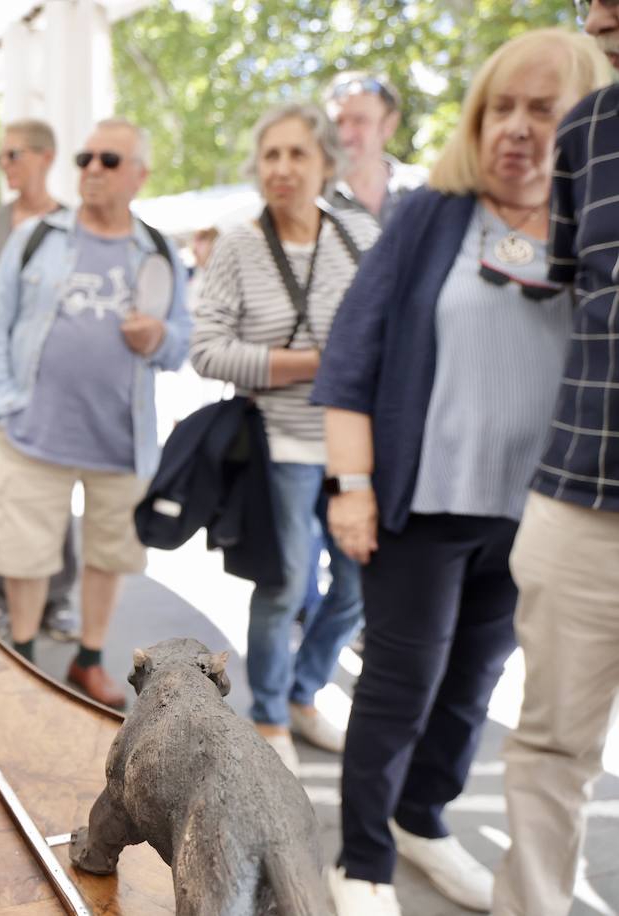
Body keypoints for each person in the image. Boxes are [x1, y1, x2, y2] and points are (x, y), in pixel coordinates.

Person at [311, 29, 610, 916]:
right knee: (399, 687)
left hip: (540, 513)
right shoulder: (431, 214)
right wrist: (352, 489)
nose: (515, 129)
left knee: (475, 691)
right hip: (421, 505)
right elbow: (351, 358)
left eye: (542, 109)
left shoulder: (596, 225)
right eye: (499, 108)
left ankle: (421, 822)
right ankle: (361, 856)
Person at [0, 118, 191, 709]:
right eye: (86, 157)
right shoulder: (39, 236)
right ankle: (22, 653)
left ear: (139, 175)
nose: (93, 168)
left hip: (120, 438)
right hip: (33, 431)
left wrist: (159, 335)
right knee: (23, 552)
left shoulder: (160, 249)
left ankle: (87, 658)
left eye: (109, 160)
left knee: (108, 554)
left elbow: (182, 343)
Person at [189, 104, 380, 771]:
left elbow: (388, 334)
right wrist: (310, 364)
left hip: (358, 445)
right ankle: (269, 714)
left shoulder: (361, 234)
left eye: (297, 154)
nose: (282, 168)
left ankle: (304, 695)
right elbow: (208, 351)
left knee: (358, 587)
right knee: (284, 584)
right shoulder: (241, 242)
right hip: (281, 445)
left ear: (325, 163)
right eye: (271, 155)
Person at [495, 7, 619, 913]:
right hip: (580, 495)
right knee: (549, 750)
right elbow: (571, 276)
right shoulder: (588, 127)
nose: (600, 13)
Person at [0, 118, 78, 642]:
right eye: (2, 156)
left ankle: (57, 596)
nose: (4, 165)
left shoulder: (76, 222)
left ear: (46, 156)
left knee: (56, 487)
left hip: (54, 383)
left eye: (14, 155)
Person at [323, 72, 426, 225]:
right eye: (338, 122)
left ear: (389, 125)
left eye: (359, 121)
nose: (344, 135)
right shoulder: (312, 198)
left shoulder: (424, 189)